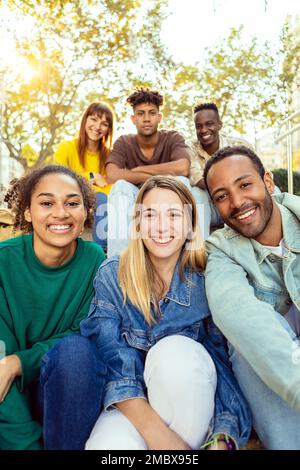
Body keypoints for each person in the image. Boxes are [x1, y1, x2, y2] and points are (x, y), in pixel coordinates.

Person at [80, 176, 251, 450]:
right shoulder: (112, 274)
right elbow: (112, 360)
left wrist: (224, 433)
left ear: (190, 225)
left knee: (173, 353)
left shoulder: (207, 278)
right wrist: (160, 437)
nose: (161, 226)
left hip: (190, 394)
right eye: (150, 215)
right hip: (132, 403)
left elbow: (223, 362)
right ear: (137, 224)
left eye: (173, 215)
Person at [0, 165, 106, 450]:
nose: (61, 213)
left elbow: (86, 333)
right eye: (47, 203)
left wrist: (19, 362)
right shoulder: (3, 263)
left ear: (85, 212)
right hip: (9, 405)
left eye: (72, 203)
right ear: (26, 212)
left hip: (68, 395)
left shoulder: (95, 261)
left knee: (76, 351)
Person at [204, 145, 300, 450]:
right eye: (222, 196)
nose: (237, 202)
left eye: (245, 184)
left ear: (268, 182)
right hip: (278, 370)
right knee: (245, 346)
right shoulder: (220, 249)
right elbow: (237, 312)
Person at [105, 88, 205, 257]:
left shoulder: (172, 137)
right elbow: (112, 175)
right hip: (138, 201)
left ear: (160, 117)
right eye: (141, 113)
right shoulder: (124, 142)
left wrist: (136, 171)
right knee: (121, 186)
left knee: (182, 181)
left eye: (152, 113)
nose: (146, 118)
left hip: (170, 199)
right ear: (133, 118)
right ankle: (118, 263)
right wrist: (156, 176)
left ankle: (193, 258)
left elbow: (182, 167)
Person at [54, 102, 114, 251]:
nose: (98, 126)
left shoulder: (110, 156)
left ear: (108, 129)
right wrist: (91, 176)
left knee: (103, 198)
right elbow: (58, 179)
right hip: (71, 198)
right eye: (93, 119)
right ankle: (101, 250)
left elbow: (111, 186)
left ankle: (102, 252)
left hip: (101, 203)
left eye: (104, 123)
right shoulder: (66, 148)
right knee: (100, 197)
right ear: (85, 120)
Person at [189, 102, 253, 239]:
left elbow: (258, 177)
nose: (204, 130)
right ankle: (200, 249)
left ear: (219, 125)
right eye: (198, 126)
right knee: (196, 192)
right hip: (210, 207)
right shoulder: (190, 148)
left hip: (238, 202)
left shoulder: (240, 146)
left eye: (209, 124)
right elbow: (197, 179)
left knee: (273, 190)